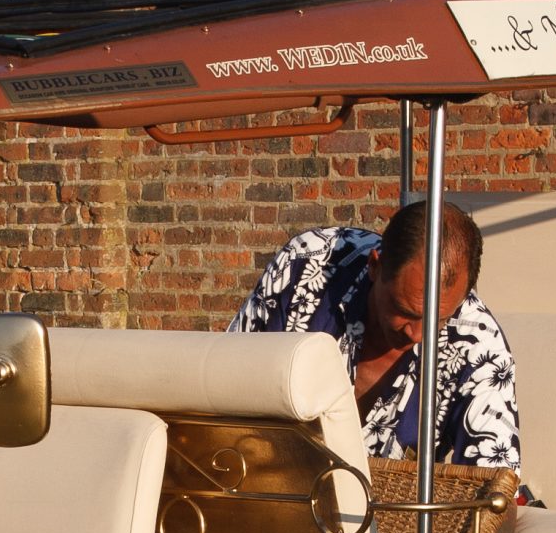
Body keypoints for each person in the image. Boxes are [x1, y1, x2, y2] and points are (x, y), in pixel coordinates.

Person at [226, 198, 529, 489]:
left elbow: (494, 495)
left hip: (390, 529)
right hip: (261, 489)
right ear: (375, 266)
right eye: (406, 312)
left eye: (438, 320)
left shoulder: (481, 350)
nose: (418, 335)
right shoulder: (305, 266)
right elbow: (228, 381)